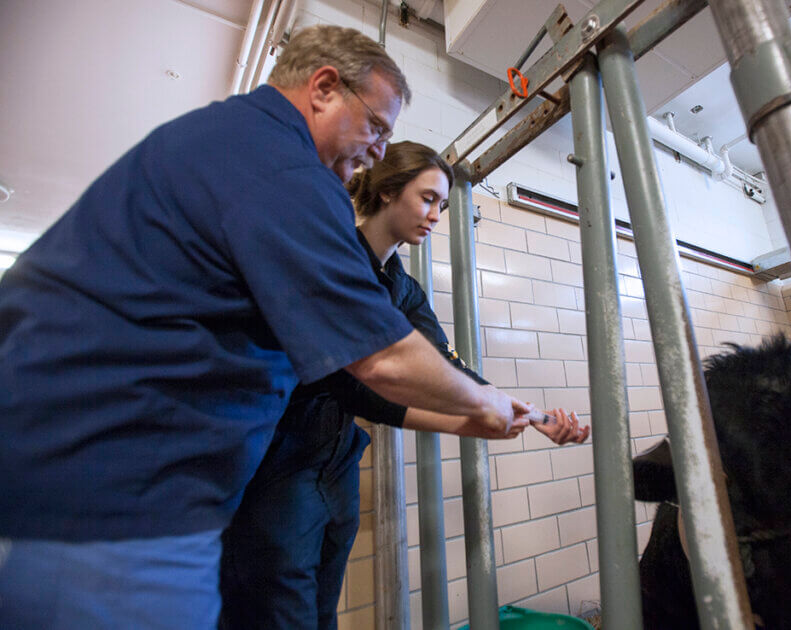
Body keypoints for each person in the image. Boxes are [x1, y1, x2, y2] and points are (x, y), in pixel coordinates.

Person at [0, 26, 530, 630]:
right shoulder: (284, 170)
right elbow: (379, 362)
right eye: (377, 128)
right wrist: (481, 403)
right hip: (115, 494)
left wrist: (484, 407)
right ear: (324, 88)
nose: (380, 150)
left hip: (114, 482)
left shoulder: (229, 144)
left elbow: (416, 354)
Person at [219, 141, 590, 630]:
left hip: (335, 463)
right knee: (272, 614)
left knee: (318, 613)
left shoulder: (401, 285)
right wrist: (480, 416)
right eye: (428, 198)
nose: (436, 214)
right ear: (389, 191)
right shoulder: (330, 259)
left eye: (442, 204)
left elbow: (445, 364)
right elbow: (356, 383)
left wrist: (527, 416)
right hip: (276, 461)